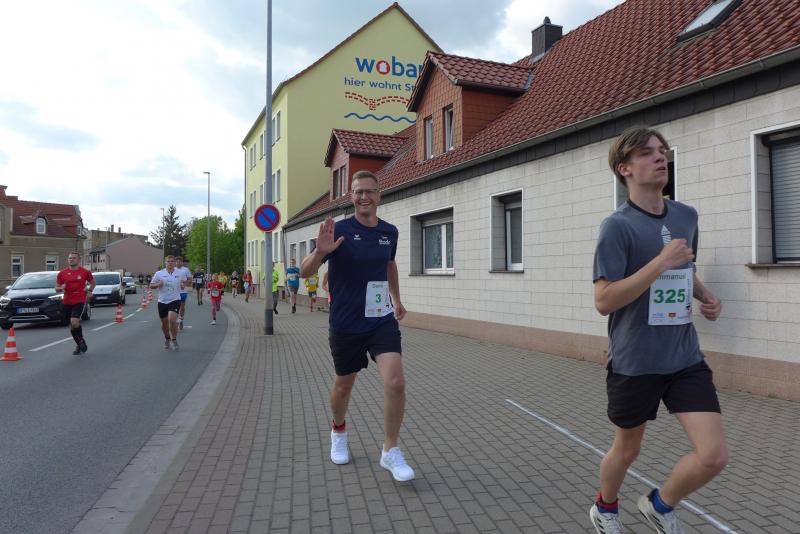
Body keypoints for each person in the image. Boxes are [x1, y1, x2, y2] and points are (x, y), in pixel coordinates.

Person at [590, 127, 727, 534]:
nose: (659, 157)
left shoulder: (687, 216)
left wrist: (705, 294)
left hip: (684, 357)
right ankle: (605, 507)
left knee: (713, 456)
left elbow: (685, 268)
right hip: (636, 360)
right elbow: (604, 300)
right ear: (625, 168)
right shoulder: (617, 227)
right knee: (627, 450)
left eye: (662, 150)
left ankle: (659, 505)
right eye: (647, 152)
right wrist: (659, 263)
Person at [300, 169, 413, 482]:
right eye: (359, 191)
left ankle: (390, 450)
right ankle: (338, 430)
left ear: (379, 195)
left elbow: (389, 264)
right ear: (351, 196)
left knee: (396, 382)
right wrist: (320, 252)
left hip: (380, 319)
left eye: (370, 191)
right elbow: (306, 272)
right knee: (343, 386)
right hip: (346, 322)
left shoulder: (390, 232)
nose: (364, 196)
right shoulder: (338, 230)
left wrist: (397, 299)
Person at [55, 252, 96, 355]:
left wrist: (90, 291)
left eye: (74, 258)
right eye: (70, 258)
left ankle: (81, 340)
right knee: (72, 326)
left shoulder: (85, 272)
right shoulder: (62, 273)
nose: (71, 260)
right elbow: (56, 288)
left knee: (74, 321)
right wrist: (61, 287)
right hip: (67, 301)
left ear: (78, 260)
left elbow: (93, 282)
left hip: (79, 300)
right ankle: (79, 344)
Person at [150, 255, 186, 351]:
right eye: (168, 261)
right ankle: (167, 338)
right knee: (164, 323)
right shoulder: (159, 273)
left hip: (175, 300)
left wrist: (183, 285)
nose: (170, 263)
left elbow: (184, 282)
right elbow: (151, 285)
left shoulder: (180, 273)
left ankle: (174, 340)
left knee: (172, 319)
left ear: (174, 263)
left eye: (172, 261)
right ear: (165, 263)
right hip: (162, 301)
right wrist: (158, 284)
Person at [175, 257, 192, 330]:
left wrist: (184, 284)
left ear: (182, 262)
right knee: (175, 307)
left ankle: (181, 319)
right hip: (175, 291)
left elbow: (190, 279)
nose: (178, 263)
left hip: (183, 291)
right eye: (177, 262)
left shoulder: (186, 269)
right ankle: (176, 320)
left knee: (182, 307)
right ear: (175, 262)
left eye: (180, 261)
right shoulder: (173, 269)